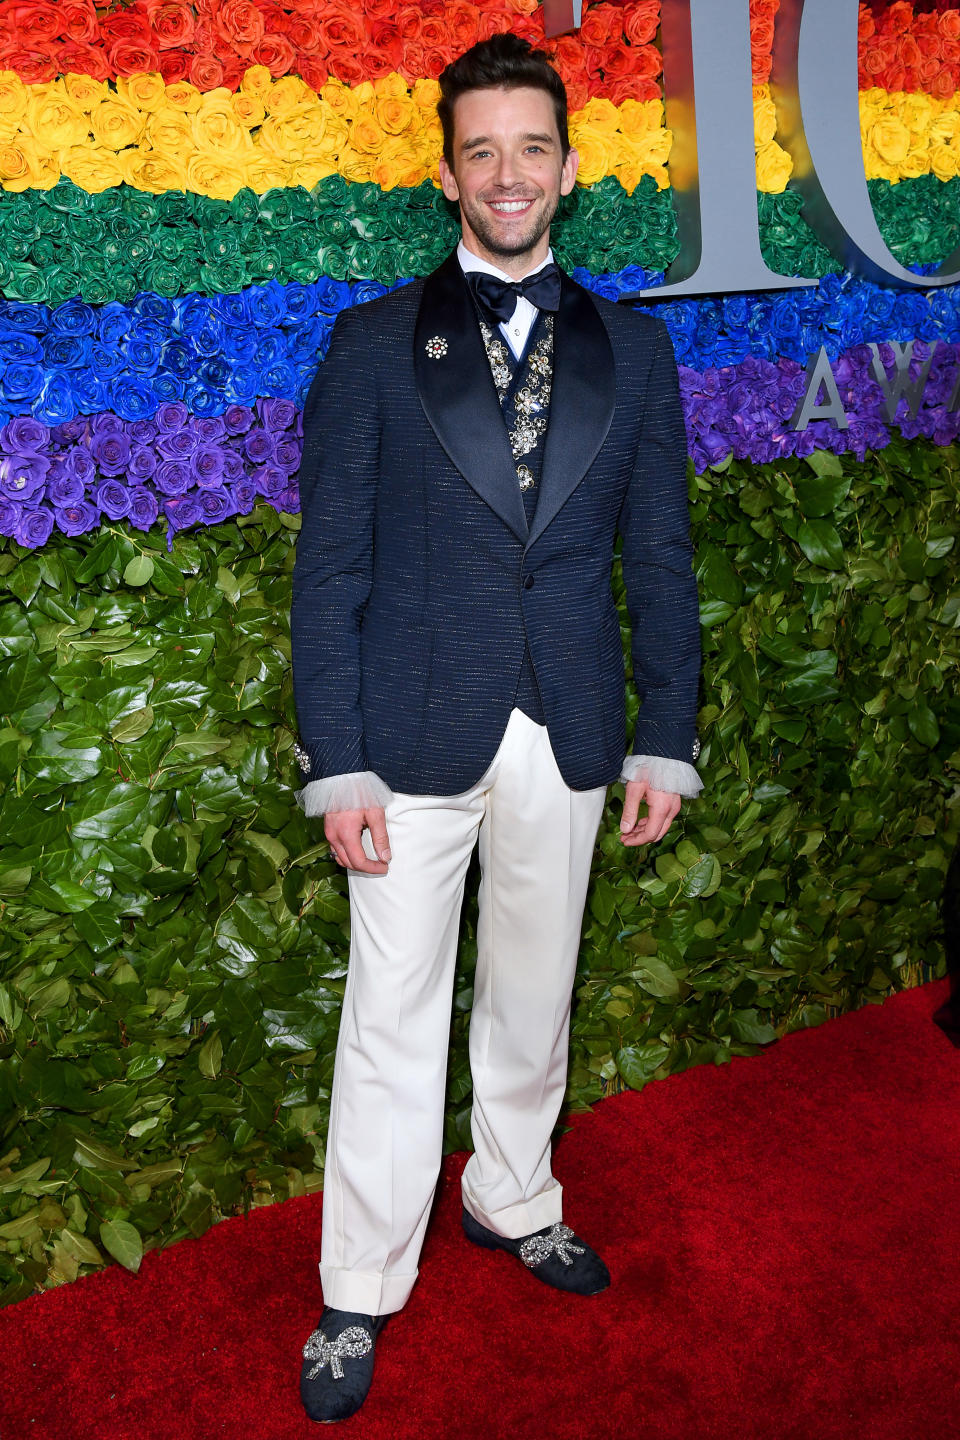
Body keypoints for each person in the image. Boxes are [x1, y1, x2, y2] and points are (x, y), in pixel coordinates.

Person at [289, 33, 702, 1423]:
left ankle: (515, 1199)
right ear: (448, 171)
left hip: (571, 723)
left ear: (568, 169)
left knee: (534, 1000)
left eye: (534, 147)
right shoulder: (365, 347)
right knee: (389, 1020)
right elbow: (330, 567)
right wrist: (333, 753)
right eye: (483, 150)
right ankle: (361, 1282)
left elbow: (661, 559)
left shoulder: (635, 350)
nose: (509, 173)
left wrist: (668, 734)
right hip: (407, 734)